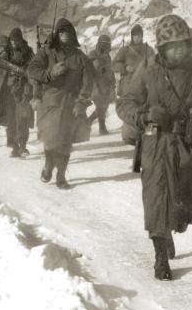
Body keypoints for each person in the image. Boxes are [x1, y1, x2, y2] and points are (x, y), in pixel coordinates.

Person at [116, 14, 192, 281]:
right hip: (155, 143)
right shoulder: (147, 69)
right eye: (171, 46)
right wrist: (144, 116)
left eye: (181, 44)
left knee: (187, 202)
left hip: (187, 146)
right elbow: (125, 104)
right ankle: (160, 255)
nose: (177, 50)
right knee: (156, 197)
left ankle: (171, 228)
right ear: (162, 47)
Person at [27, 18, 94, 189]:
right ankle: (49, 165)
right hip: (50, 103)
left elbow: (88, 82)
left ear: (73, 34)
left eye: (68, 32)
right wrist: (50, 73)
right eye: (62, 32)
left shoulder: (80, 56)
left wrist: (82, 102)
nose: (65, 35)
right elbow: (32, 70)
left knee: (65, 142)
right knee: (50, 140)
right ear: (57, 34)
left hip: (71, 105)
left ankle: (61, 176)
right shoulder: (47, 52)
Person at [7, 28, 35, 157]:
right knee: (11, 119)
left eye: (15, 40)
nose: (13, 43)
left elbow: (34, 69)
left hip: (24, 89)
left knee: (23, 118)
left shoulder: (28, 52)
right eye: (11, 40)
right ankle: (14, 146)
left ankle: (22, 146)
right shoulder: (7, 52)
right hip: (9, 90)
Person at [112, 24, 155, 96]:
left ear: (142, 36)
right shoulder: (125, 50)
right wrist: (125, 67)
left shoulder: (148, 49)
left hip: (145, 84)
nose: (137, 37)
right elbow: (114, 65)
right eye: (135, 35)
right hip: (128, 85)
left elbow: (154, 65)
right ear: (132, 36)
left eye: (139, 35)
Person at [87, 34, 116, 135]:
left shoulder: (107, 56)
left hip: (106, 85)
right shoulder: (93, 54)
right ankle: (102, 128)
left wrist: (113, 82)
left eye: (108, 45)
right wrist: (102, 61)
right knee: (100, 106)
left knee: (104, 106)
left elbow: (110, 70)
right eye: (105, 45)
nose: (107, 47)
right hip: (96, 85)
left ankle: (87, 122)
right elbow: (96, 68)